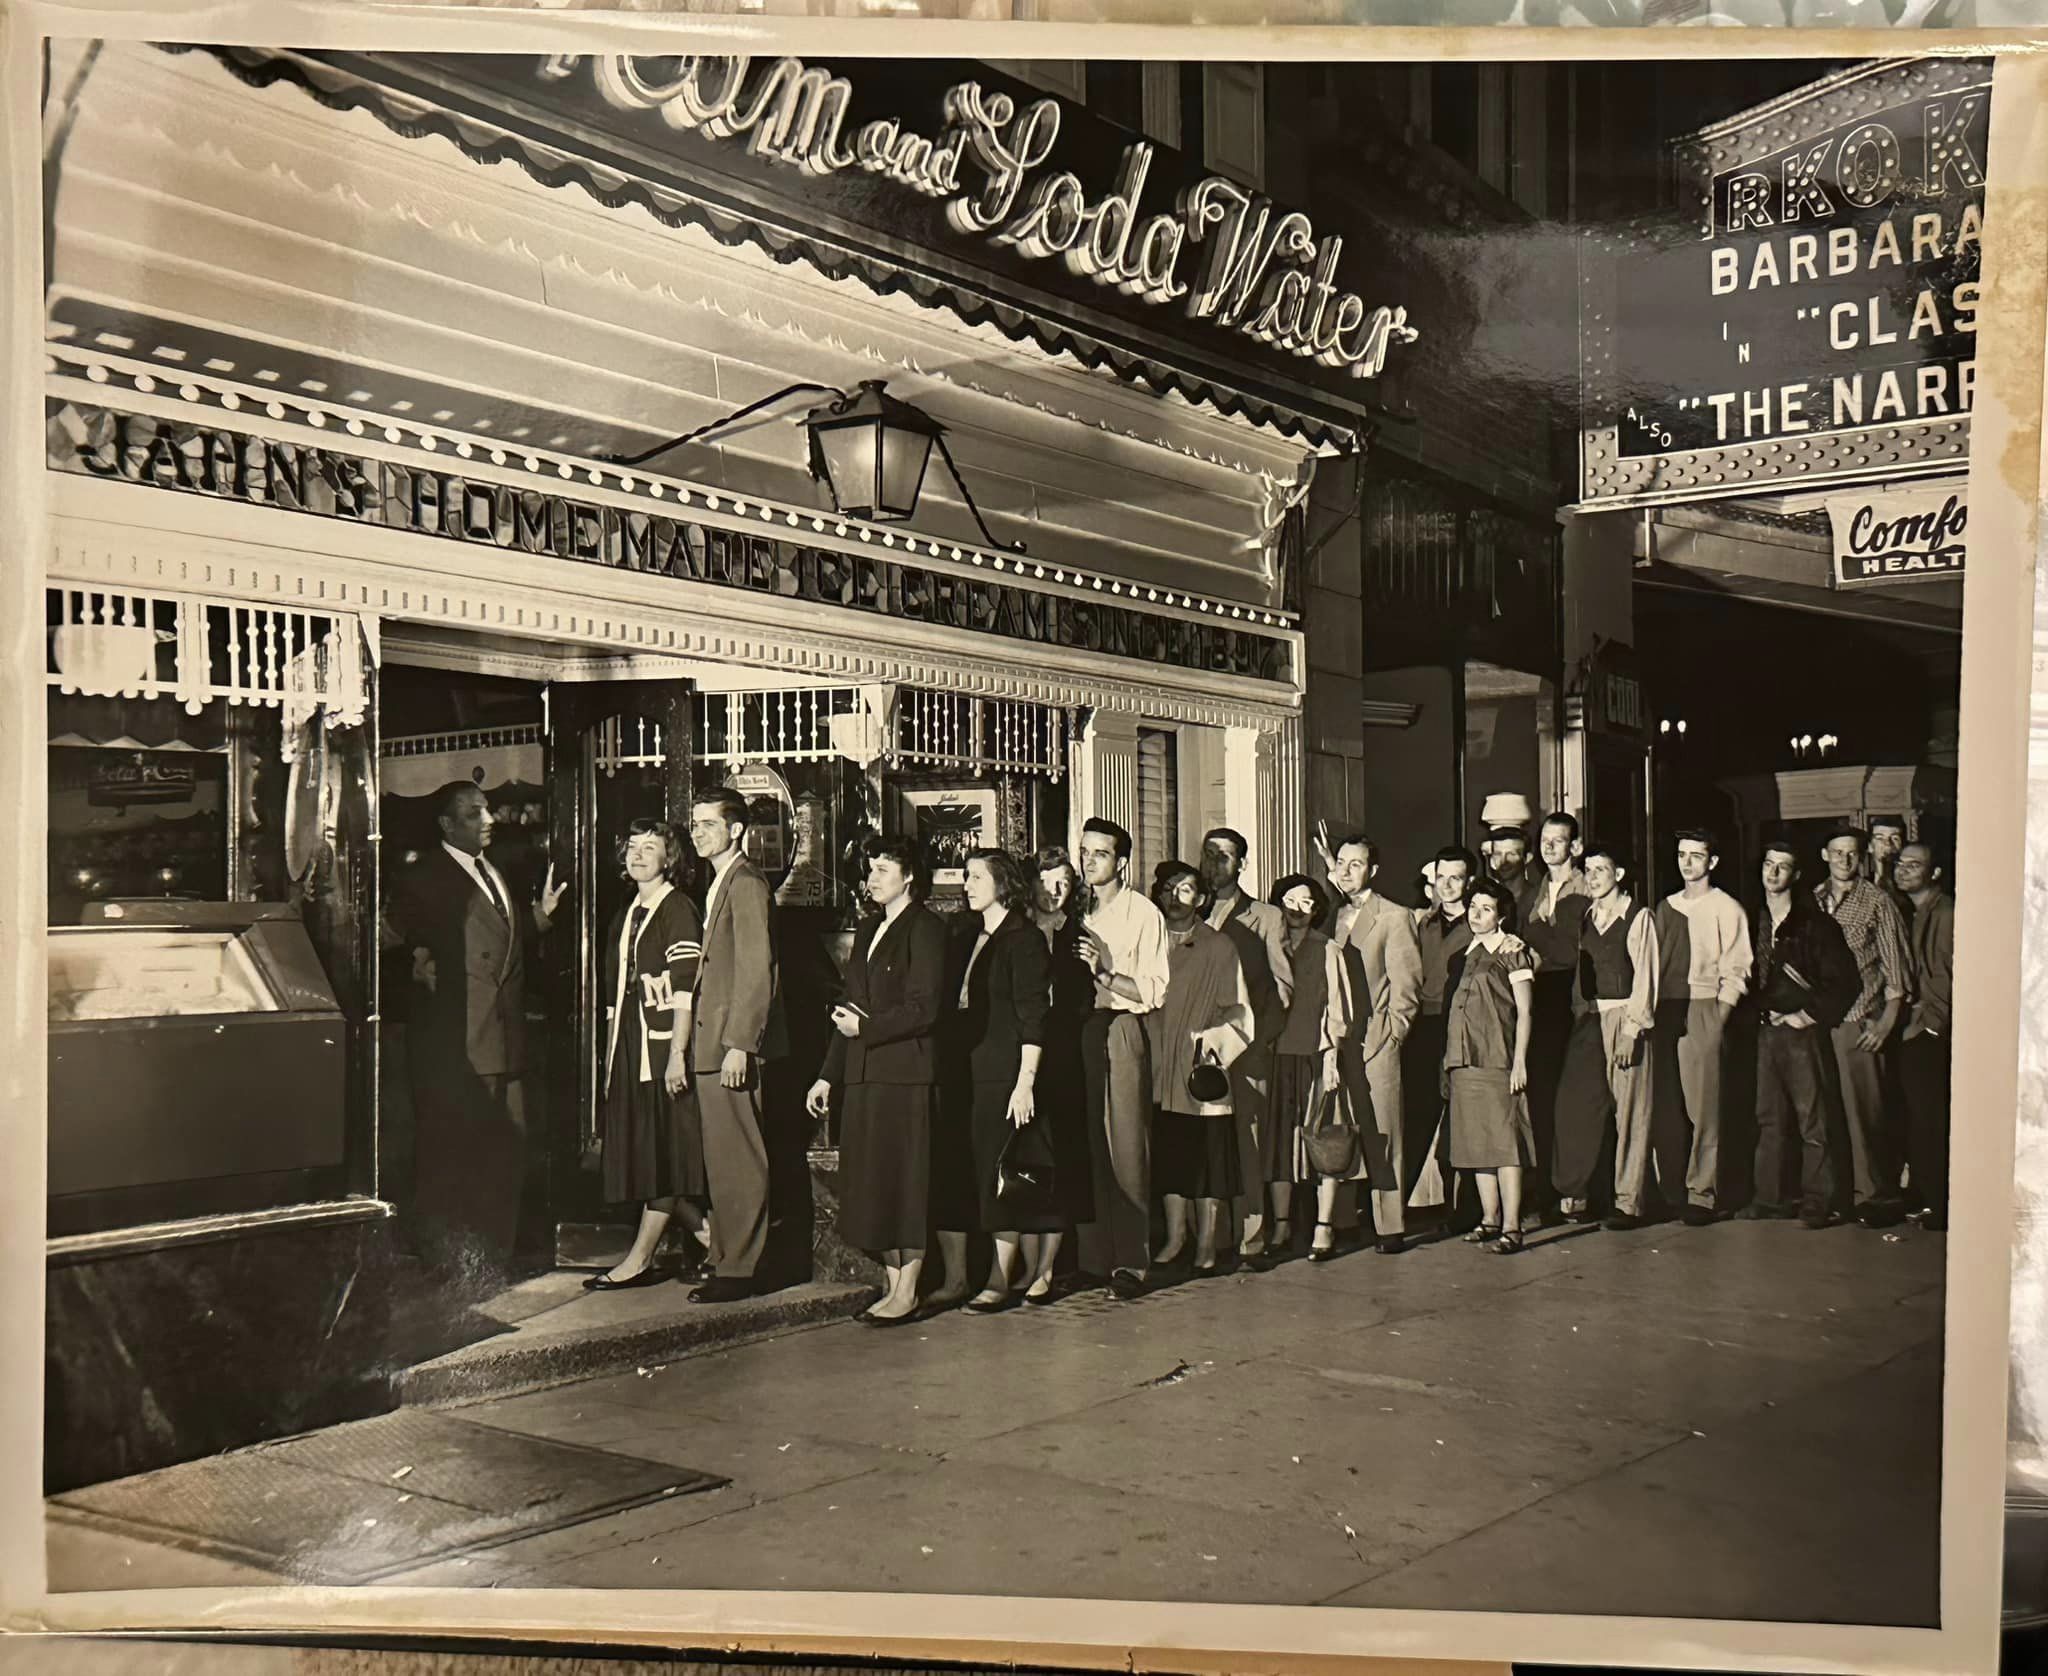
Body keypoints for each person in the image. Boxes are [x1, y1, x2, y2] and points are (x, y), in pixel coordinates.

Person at [387, 781, 567, 1285]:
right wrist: (416, 967)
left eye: (486, 811)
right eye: (473, 814)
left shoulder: (493, 870)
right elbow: (396, 946)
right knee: (454, 1155)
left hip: (503, 1037)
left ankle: (492, 1257)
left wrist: (540, 917)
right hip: (457, 1045)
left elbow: (501, 944)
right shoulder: (423, 879)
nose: (487, 820)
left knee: (505, 1152)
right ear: (446, 825)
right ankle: (451, 1264)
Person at [806, 837, 948, 1325]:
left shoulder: (925, 928)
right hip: (865, 1076)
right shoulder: (869, 929)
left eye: (883, 869)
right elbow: (850, 1007)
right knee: (875, 1185)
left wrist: (864, 1030)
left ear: (909, 876)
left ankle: (907, 1290)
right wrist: (828, 1076)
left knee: (905, 1183)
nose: (872, 878)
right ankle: (892, 1285)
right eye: (870, 870)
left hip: (905, 1075)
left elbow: (924, 1009)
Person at [589, 819, 709, 1291]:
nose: (638, 855)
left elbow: (686, 990)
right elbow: (617, 996)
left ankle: (638, 1260)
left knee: (661, 1156)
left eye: (650, 847)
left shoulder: (677, 908)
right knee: (650, 1157)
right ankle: (714, 1239)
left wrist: (678, 1054)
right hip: (629, 1049)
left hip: (661, 1050)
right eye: (632, 847)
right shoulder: (628, 914)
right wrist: (608, 1058)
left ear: (669, 858)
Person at [688, 787, 788, 1303]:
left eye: (708, 823)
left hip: (730, 1045)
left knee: (740, 1158)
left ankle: (741, 1268)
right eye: (695, 823)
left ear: (735, 830)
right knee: (722, 1158)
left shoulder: (746, 883)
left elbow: (756, 969)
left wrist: (741, 1044)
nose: (697, 831)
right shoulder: (722, 881)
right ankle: (724, 1256)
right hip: (713, 1044)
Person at [945, 848, 1054, 1312]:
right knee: (965, 1172)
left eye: (975, 877)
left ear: (1002, 883)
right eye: (965, 877)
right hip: (965, 1070)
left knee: (999, 1174)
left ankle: (1000, 1277)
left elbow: (1034, 1017)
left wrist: (1025, 1081)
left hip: (1004, 1073)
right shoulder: (967, 932)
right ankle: (958, 1276)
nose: (966, 885)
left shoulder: (1023, 939)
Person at [1074, 817, 1171, 1298]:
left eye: (1101, 854)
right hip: (1078, 1030)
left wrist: (1106, 973)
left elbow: (1153, 991)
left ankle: (1132, 1261)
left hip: (1121, 1027)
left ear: (1123, 862)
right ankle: (1094, 1257)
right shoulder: (1073, 907)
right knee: (1086, 1141)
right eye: (1085, 851)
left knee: (1127, 1146)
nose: (1089, 861)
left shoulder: (1143, 913)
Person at [1742, 839, 1861, 1228]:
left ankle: (1819, 1201)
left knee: (1813, 1120)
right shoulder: (1754, 918)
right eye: (1768, 864)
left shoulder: (1816, 925)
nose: (1772, 873)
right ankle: (1770, 1199)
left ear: (1796, 875)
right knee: (1768, 1118)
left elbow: (1845, 982)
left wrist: (1806, 1016)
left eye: (1782, 866)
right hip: (1763, 1033)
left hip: (1800, 1034)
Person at [1314, 826, 1421, 1255]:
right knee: (1335, 1129)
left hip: (1376, 1041)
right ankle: (1339, 1220)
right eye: (1340, 863)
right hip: (1333, 1043)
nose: (1346, 870)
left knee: (1382, 1132)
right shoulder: (1326, 915)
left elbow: (1406, 987)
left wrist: (1393, 1035)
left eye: (1355, 864)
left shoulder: (1394, 917)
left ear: (1372, 870)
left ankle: (1389, 1225)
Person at [1147, 860, 1253, 1273]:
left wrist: (1210, 1046)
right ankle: (1176, 1237)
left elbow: (1239, 1010)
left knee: (1208, 1159)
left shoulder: (1218, 946)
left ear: (1203, 899)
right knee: (1170, 1157)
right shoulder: (1150, 942)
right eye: (1169, 889)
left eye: (1187, 889)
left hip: (1200, 1068)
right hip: (1157, 1067)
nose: (1176, 897)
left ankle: (1208, 1242)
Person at [1552, 843, 1660, 1231]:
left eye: (1602, 869)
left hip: (1626, 1015)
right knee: (1578, 1106)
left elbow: (1646, 977)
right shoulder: (1586, 917)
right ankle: (1578, 1194)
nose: (1594, 877)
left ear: (1619, 875)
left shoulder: (1637, 916)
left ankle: (1629, 1202)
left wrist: (1633, 1029)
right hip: (1592, 1018)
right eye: (1589, 870)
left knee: (1631, 1110)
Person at [1649, 828, 1753, 1228]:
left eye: (1696, 855)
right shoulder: (1666, 907)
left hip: (1704, 1006)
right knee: (1670, 1106)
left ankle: (1703, 1193)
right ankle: (1671, 1191)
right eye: (1681, 854)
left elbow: (1737, 968)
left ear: (1713, 862)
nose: (1687, 862)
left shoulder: (1727, 908)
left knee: (1705, 1108)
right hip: (1667, 1010)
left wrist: (1718, 1018)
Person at [1200, 827, 1294, 1261]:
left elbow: (1283, 988)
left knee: (1249, 1142)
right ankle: (1211, 1239)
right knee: (1206, 1141)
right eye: (1209, 854)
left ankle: (1251, 1239)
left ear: (1242, 864)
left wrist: (1260, 1041)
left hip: (1248, 1049)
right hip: (1198, 1050)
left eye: (1226, 856)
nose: (1216, 863)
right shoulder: (1187, 910)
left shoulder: (1266, 917)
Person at [1813, 825, 1913, 1227]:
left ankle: (1875, 1196)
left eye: (1852, 853)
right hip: (1818, 1023)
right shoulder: (1814, 901)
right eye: (1837, 853)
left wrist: (1885, 1023)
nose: (1844, 860)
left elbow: (1897, 972)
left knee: (1864, 1115)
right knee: (1826, 1113)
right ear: (1825, 855)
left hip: (1859, 1022)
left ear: (1863, 857)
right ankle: (1838, 1196)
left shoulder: (1877, 902)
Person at [1443, 878, 1538, 1255]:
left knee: (1505, 1145)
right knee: (1476, 1144)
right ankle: (1489, 1219)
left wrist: (1519, 1062)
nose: (1477, 914)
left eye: (1486, 908)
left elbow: (1527, 1010)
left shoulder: (1513, 951)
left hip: (1498, 1059)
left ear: (1501, 915)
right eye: (1473, 907)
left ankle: (1512, 1227)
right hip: (1462, 1060)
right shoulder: (1465, 954)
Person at [1022, 846, 1096, 1298]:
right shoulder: (1013, 932)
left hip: (1062, 1061)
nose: (1054, 891)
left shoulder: (1079, 937)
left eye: (1064, 883)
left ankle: (1047, 1268)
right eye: (1047, 881)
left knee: (1058, 1161)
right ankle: (1024, 1265)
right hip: (1019, 1061)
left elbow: (1083, 1002)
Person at [1266, 874, 1351, 1262]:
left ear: (1317, 909)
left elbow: (1338, 1009)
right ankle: (1282, 1223)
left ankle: (1323, 1225)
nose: (1297, 909)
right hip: (1275, 1056)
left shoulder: (1328, 949)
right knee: (1279, 1143)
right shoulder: (1269, 945)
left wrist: (1332, 1059)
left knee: (1322, 1141)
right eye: (1289, 900)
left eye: (1306, 902)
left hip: (1316, 1057)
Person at [1516, 812, 1591, 1224]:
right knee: (1540, 1100)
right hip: (1541, 1003)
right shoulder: (1533, 893)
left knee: (1576, 1100)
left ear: (1574, 847)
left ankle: (1580, 1191)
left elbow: (1569, 950)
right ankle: (1543, 1192)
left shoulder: (1588, 887)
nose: (1549, 847)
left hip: (1577, 1000)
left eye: (1558, 840)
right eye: (1544, 839)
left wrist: (1542, 940)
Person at [1403, 845, 1480, 1225]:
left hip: (1465, 1028)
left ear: (1470, 882)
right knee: (1416, 1115)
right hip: (1424, 1026)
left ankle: (1465, 1209)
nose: (1447, 885)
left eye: (1456, 878)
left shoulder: (1481, 923)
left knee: (1464, 1118)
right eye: (1441, 877)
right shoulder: (1421, 923)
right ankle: (1393, 1208)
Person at [1894, 842, 1954, 1232]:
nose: (1904, 870)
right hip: (1915, 1030)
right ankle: (1926, 1198)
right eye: (1901, 863)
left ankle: (1939, 1205)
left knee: (1930, 1120)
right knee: (1917, 1119)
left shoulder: (1945, 913)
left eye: (1914, 865)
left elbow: (1947, 977)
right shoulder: (1915, 912)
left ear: (1934, 873)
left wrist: (1933, 1025)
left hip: (1930, 1033)